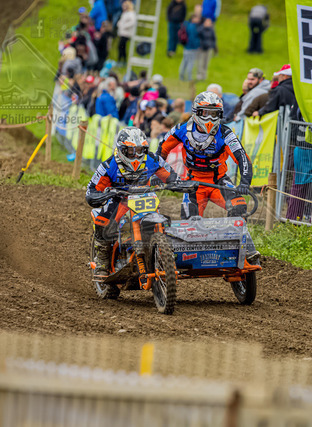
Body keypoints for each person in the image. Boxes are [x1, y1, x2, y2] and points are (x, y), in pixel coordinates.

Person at [86, 127, 178, 286]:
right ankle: (102, 259)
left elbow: (172, 176)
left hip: (146, 197)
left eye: (140, 150)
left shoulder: (152, 159)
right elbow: (92, 190)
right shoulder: (109, 165)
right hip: (119, 199)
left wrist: (177, 183)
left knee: (164, 220)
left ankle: (165, 252)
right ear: (122, 150)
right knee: (103, 218)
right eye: (131, 151)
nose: (136, 155)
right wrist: (100, 195)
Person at [157, 91, 253, 219]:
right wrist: (161, 175)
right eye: (206, 113)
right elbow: (161, 151)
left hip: (219, 181)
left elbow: (242, 158)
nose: (210, 118)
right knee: (189, 219)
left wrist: (245, 182)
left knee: (239, 207)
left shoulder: (226, 134)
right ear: (196, 112)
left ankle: (232, 232)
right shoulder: (181, 129)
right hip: (193, 183)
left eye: (214, 114)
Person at [178, 13, 201, 81]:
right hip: (191, 48)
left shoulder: (187, 25)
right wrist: (197, 46)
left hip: (186, 47)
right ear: (193, 18)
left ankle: (181, 76)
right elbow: (192, 38)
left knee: (184, 62)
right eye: (197, 18)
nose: (198, 19)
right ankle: (189, 78)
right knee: (190, 63)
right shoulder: (193, 26)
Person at [117, 0, 137, 66]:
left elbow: (132, 22)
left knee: (121, 47)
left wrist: (124, 26)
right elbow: (121, 21)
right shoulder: (125, 13)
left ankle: (122, 60)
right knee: (121, 47)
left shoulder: (131, 13)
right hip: (122, 33)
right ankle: (121, 60)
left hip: (126, 33)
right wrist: (119, 24)